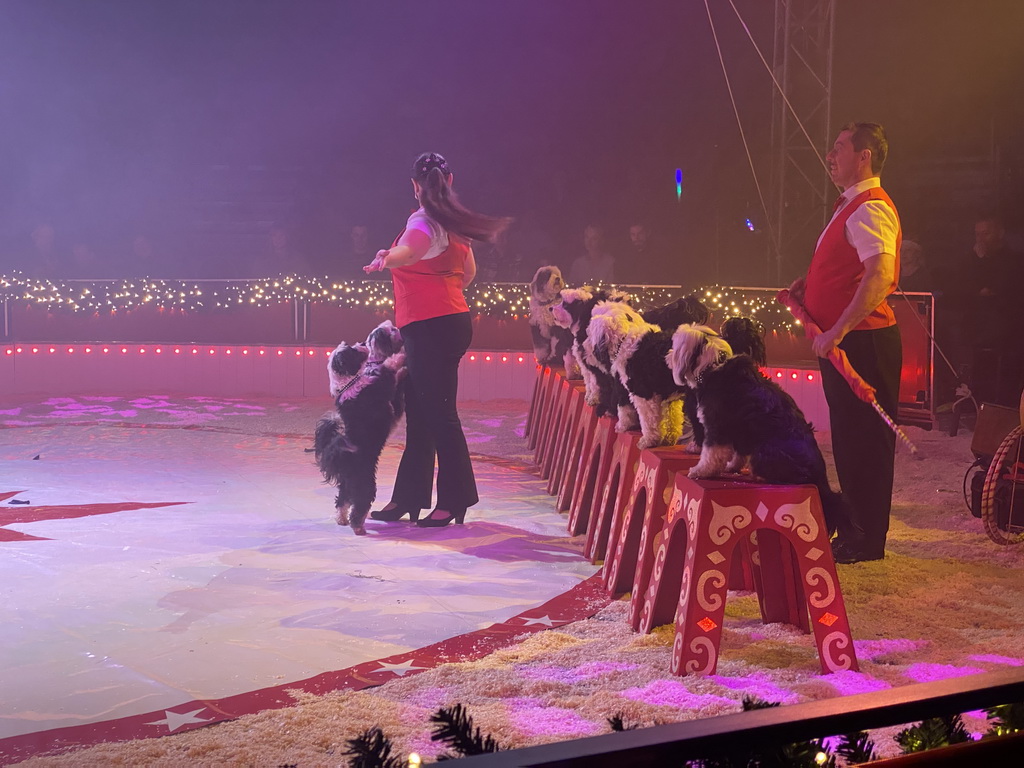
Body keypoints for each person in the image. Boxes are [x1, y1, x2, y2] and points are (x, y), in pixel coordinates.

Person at [363, 152, 509, 527]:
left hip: (431, 327)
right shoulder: (453, 223)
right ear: (450, 180)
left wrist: (387, 257)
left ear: (415, 186)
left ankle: (453, 501)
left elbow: (409, 249)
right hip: (446, 322)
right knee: (423, 411)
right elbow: (468, 274)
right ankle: (409, 498)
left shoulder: (424, 219)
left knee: (439, 415)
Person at [788, 122, 902, 564]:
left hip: (863, 344)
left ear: (864, 156)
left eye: (838, 148)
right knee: (852, 440)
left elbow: (881, 276)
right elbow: (853, 269)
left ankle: (866, 539)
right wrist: (812, 288)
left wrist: (837, 330)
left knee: (866, 442)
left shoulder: (870, 206)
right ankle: (857, 530)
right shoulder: (851, 206)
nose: (829, 156)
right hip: (850, 342)